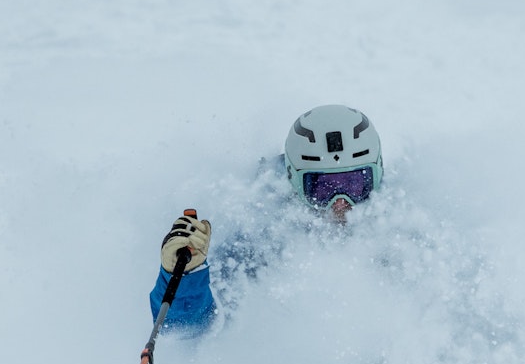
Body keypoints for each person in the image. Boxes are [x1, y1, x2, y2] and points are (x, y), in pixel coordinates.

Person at [149, 104, 384, 334]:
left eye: (354, 185)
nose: (340, 202)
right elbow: (187, 329)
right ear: (293, 179)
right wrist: (185, 278)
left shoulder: (399, 222)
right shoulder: (262, 230)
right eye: (322, 189)